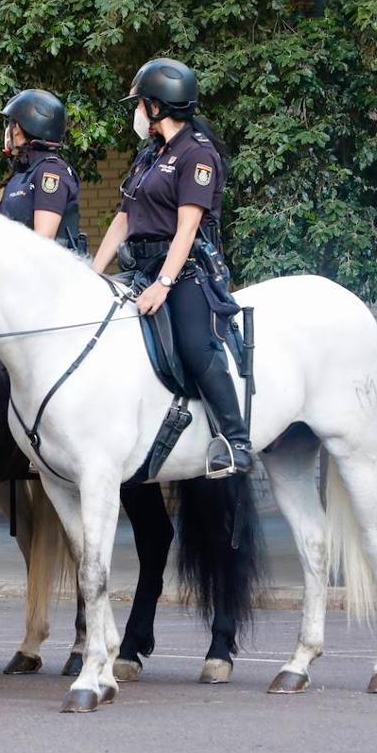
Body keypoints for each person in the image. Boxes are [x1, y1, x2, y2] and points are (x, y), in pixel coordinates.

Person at [92, 57, 252, 476]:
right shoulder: (149, 156)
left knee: (197, 347)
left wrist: (164, 283)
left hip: (184, 272)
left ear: (158, 107)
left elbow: (187, 228)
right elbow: (123, 219)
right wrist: (93, 273)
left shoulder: (196, 154)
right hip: (138, 267)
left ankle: (235, 442)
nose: (138, 113)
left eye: (140, 104)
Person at [0, 88, 87, 254]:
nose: (9, 131)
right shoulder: (24, 172)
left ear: (19, 128)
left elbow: (43, 239)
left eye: (11, 123)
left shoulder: (50, 171)